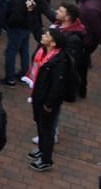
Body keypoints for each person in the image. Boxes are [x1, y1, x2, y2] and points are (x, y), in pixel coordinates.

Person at [26, 26, 70, 172]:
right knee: (39, 124)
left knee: (47, 129)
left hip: (46, 102)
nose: (43, 35)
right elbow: (36, 29)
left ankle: (46, 159)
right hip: (38, 96)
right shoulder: (44, 52)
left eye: (47, 35)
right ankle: (41, 149)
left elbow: (57, 87)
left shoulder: (59, 62)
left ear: (53, 43)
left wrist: (49, 104)